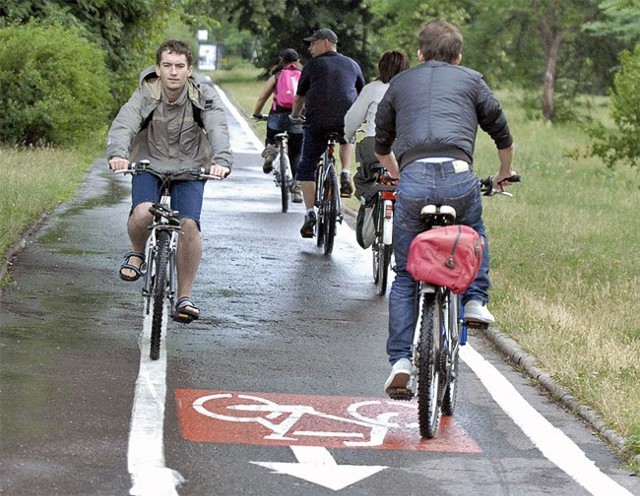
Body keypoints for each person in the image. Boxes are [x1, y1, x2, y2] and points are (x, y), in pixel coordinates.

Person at [374, 19, 517, 395]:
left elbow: (381, 142)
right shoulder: (471, 79)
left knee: (405, 274)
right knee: (474, 233)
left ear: (419, 54)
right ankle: (475, 300)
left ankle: (401, 361)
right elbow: (500, 129)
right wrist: (504, 172)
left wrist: (399, 175)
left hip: (415, 177)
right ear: (458, 56)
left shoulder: (399, 83)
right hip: (458, 175)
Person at [107, 39, 233, 323]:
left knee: (188, 225)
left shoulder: (203, 95)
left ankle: (184, 297)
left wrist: (222, 161)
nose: (173, 72)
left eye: (179, 66)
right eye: (167, 66)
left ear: (189, 70)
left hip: (190, 167)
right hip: (149, 162)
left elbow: (218, 128)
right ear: (158, 68)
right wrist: (117, 154)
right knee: (142, 212)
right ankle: (137, 253)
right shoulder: (145, 94)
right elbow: (124, 123)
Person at [289, 28, 366, 238]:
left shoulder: (312, 65)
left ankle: (309, 213)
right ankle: (345, 173)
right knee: (348, 133)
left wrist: (295, 116)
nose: (309, 48)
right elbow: (362, 92)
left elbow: (299, 98)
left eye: (312, 44)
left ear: (325, 43)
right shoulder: (352, 64)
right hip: (346, 120)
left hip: (318, 122)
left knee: (307, 166)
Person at [344, 50, 410, 201]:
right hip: (403, 146)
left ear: (381, 67)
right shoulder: (411, 90)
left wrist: (349, 135)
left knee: (363, 180)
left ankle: (368, 204)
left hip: (373, 145)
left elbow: (352, 120)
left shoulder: (372, 88)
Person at [252, 48, 304, 203]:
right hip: (297, 117)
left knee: (272, 137)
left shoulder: (277, 75)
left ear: (282, 59)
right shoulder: (303, 76)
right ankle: (296, 190)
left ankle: (271, 152)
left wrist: (257, 114)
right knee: (296, 154)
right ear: (298, 60)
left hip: (277, 115)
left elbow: (262, 98)